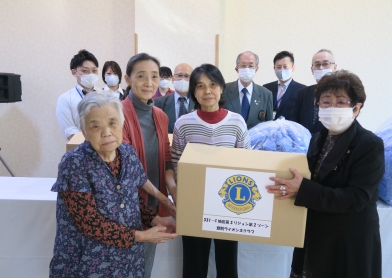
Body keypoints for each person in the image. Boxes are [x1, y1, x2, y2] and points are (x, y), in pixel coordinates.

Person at [267, 70, 385, 278]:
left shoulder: (369, 144)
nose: (332, 108)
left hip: (348, 240)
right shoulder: (317, 137)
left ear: (356, 108)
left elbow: (356, 198)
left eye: (340, 102)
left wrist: (302, 189)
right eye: (326, 102)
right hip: (315, 234)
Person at [49, 92, 177, 278]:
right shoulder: (74, 163)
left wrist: (153, 219)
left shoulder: (126, 152)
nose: (106, 132)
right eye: (95, 126)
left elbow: (133, 199)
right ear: (84, 132)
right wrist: (142, 236)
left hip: (128, 262)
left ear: (122, 123)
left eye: (112, 123)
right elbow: (90, 223)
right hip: (87, 263)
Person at [171, 64, 250, 278]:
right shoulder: (184, 123)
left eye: (213, 85)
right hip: (195, 203)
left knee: (227, 264)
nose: (207, 91)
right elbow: (177, 161)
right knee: (194, 265)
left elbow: (245, 162)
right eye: (200, 86)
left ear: (222, 88)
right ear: (193, 91)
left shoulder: (236, 122)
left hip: (229, 204)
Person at [121, 53, 178, 278]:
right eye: (141, 76)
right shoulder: (118, 114)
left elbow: (165, 157)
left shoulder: (160, 115)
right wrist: (167, 201)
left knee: (145, 267)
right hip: (126, 203)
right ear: (128, 79)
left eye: (154, 76)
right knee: (123, 265)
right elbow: (129, 167)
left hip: (152, 203)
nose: (149, 83)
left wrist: (173, 193)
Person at [288, 49, 338, 134]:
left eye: (326, 64)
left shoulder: (342, 95)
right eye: (317, 65)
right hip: (304, 144)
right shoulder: (302, 93)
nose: (321, 68)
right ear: (312, 70)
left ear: (335, 68)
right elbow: (294, 123)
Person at [56, 49, 101, 140]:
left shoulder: (104, 95)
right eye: (85, 71)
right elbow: (70, 131)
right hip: (81, 150)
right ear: (74, 73)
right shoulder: (65, 99)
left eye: (94, 70)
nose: (91, 74)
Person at [222, 51, 273, 130]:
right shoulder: (223, 90)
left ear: (256, 69)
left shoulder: (266, 94)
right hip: (229, 140)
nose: (247, 69)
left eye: (251, 65)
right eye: (243, 65)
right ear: (236, 69)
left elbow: (269, 126)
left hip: (256, 141)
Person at [263, 51, 306, 120]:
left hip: (290, 129)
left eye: (285, 67)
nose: (282, 70)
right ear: (274, 68)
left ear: (293, 68)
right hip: (268, 128)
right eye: (278, 67)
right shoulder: (266, 88)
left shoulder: (302, 90)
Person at [154, 63, 195, 133]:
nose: (183, 79)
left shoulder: (199, 102)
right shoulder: (158, 103)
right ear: (173, 79)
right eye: (179, 75)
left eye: (187, 76)